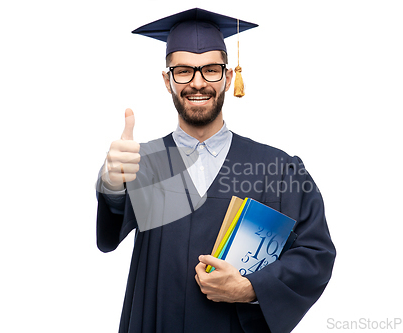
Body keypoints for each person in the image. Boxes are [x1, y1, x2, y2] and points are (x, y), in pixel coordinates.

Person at [96, 8, 336, 333]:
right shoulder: (145, 164)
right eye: (183, 71)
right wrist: (112, 184)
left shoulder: (278, 170)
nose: (197, 82)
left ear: (227, 76)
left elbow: (315, 255)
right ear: (167, 80)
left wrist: (252, 288)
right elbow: (111, 230)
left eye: (210, 70)